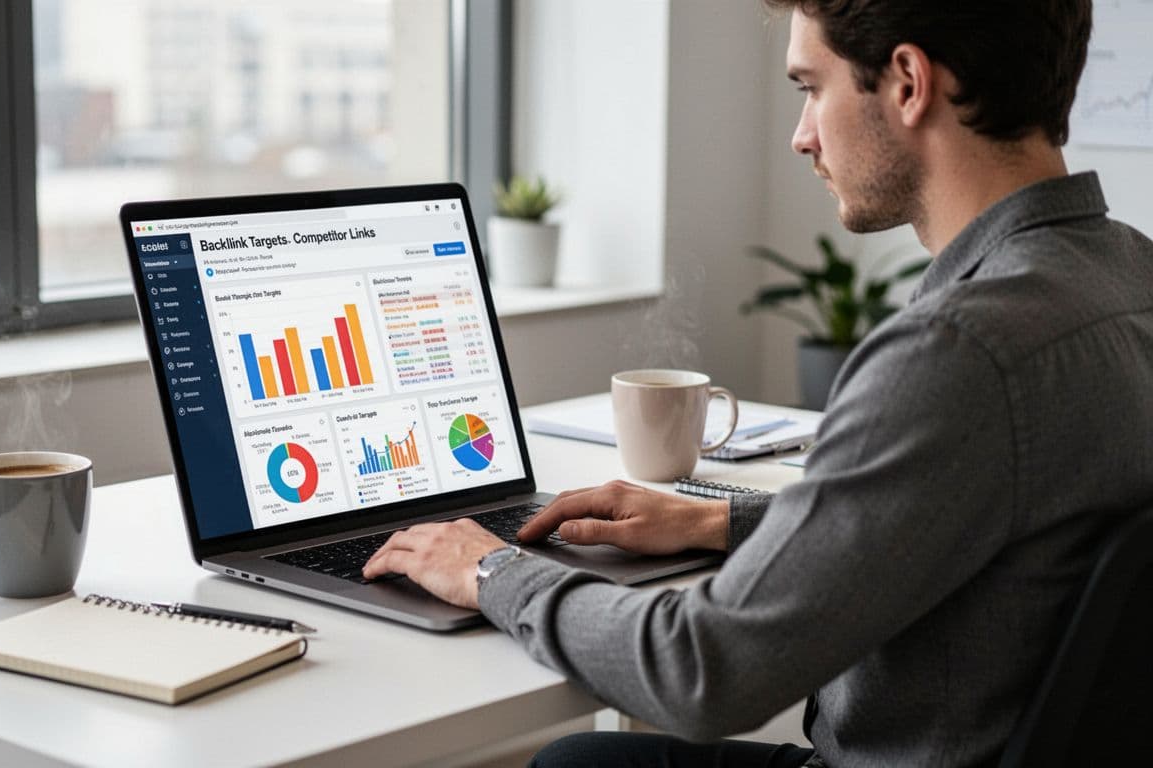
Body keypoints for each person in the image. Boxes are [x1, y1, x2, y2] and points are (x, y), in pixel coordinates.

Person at [364, 0, 1153, 765]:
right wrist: (718, 523)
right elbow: (981, 514)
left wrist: (490, 569)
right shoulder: (1129, 274)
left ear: (909, 82)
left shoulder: (958, 353)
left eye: (811, 88)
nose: (800, 136)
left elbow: (701, 674)